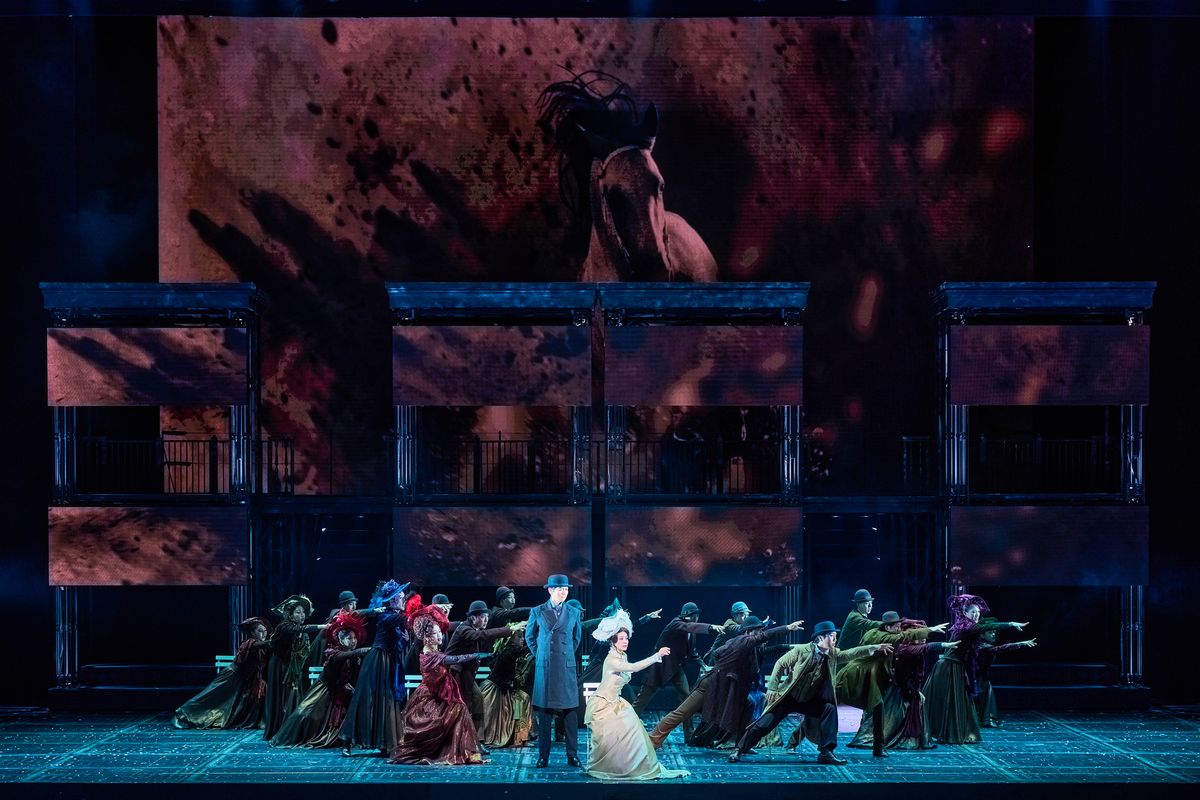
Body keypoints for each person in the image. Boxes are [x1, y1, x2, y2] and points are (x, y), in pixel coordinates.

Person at [728, 620, 891, 765]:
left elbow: (850, 654)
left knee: (829, 709)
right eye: (832, 636)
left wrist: (872, 648)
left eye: (835, 637)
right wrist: (772, 687)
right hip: (788, 697)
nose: (835, 640)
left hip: (809, 700)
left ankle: (826, 752)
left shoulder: (832, 654)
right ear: (820, 637)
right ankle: (739, 749)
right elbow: (780, 663)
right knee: (764, 724)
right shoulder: (801, 650)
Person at [583, 611, 689, 781]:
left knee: (633, 732)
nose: (625, 641)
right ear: (613, 640)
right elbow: (634, 668)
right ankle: (610, 767)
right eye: (621, 638)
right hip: (603, 704)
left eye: (626, 638)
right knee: (610, 740)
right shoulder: (612, 660)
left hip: (616, 702)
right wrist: (657, 656)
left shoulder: (622, 655)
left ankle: (634, 766)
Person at [837, 611, 949, 757]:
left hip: (873, 678)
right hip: (858, 676)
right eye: (896, 626)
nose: (899, 628)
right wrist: (931, 630)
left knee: (877, 708)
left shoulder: (881, 633)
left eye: (899, 625)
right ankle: (807, 739)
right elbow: (903, 636)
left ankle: (878, 748)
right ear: (888, 627)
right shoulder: (882, 636)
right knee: (827, 704)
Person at [923, 594, 1029, 744]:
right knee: (950, 701)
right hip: (949, 667)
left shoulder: (969, 627)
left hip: (955, 666)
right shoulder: (967, 626)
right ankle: (945, 732)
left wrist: (1018, 644)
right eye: (973, 612)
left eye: (978, 612)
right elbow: (986, 627)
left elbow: (991, 647)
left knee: (958, 701)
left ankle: (950, 732)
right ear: (965, 613)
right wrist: (1010, 624)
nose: (976, 615)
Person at [389, 613, 491, 765]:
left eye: (439, 632)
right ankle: (445, 750)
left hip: (442, 694)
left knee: (460, 709)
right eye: (436, 634)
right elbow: (455, 659)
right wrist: (476, 655)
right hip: (430, 698)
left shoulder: (434, 651)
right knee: (450, 715)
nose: (440, 636)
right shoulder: (430, 655)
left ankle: (460, 749)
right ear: (427, 637)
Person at [689, 615, 804, 749]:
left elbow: (774, 648)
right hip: (729, 685)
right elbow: (717, 653)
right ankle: (724, 741)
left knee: (749, 704)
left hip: (739, 686)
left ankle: (741, 744)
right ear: (748, 631)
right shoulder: (743, 641)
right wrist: (788, 627)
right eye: (757, 631)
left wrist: (793, 646)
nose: (760, 634)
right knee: (722, 716)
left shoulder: (752, 647)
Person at [270, 611, 371, 749]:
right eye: (349, 638)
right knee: (305, 714)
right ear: (341, 640)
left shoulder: (354, 658)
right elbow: (340, 659)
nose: (353, 641)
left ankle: (344, 739)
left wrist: (348, 686)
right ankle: (290, 737)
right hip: (325, 689)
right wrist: (363, 651)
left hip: (340, 691)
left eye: (354, 638)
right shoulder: (333, 652)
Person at [630, 602, 722, 741]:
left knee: (687, 699)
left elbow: (692, 651)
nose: (696, 618)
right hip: (660, 668)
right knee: (642, 699)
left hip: (676, 669)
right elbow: (687, 627)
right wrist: (710, 627)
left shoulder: (691, 631)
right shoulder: (676, 623)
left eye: (697, 615)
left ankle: (689, 735)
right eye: (694, 615)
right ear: (688, 615)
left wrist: (703, 665)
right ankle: (624, 728)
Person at [340, 579, 412, 755]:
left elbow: (397, 643)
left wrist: (404, 640)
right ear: (392, 600)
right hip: (378, 660)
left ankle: (384, 742)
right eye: (401, 598)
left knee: (387, 701)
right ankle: (347, 741)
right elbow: (401, 618)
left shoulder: (396, 617)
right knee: (366, 699)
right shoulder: (385, 615)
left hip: (390, 661)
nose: (403, 600)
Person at [445, 599, 526, 751]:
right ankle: (456, 741)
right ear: (473, 617)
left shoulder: (472, 629)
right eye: (483, 617)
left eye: (487, 617)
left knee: (477, 699)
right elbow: (482, 635)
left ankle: (477, 741)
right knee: (459, 707)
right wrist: (510, 629)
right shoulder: (465, 629)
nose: (486, 620)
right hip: (454, 676)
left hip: (466, 676)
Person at [525, 573, 583, 768]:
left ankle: (572, 755)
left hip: (565, 667)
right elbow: (530, 637)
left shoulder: (573, 612)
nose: (564, 592)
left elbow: (576, 638)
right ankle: (543, 756)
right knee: (545, 714)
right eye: (560, 589)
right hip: (546, 668)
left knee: (570, 713)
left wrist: (566, 655)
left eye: (566, 589)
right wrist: (542, 655)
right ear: (550, 590)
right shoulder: (537, 611)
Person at [173, 617, 273, 730]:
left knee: (229, 704)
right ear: (252, 633)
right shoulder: (250, 643)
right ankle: (182, 714)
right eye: (260, 631)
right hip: (231, 676)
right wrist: (274, 640)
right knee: (210, 696)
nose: (263, 633)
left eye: (265, 631)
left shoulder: (261, 648)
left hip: (242, 680)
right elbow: (262, 645)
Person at [263, 595, 327, 739]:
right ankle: (281, 729)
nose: (302, 615)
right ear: (290, 615)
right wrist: (322, 626)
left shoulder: (300, 632)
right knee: (284, 695)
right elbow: (300, 629)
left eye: (303, 612)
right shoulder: (284, 626)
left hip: (292, 666)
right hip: (280, 666)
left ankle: (291, 728)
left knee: (293, 694)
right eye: (298, 612)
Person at [477, 623, 536, 748]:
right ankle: (519, 738)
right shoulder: (509, 650)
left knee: (523, 699)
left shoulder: (507, 651)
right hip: (495, 690)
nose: (522, 639)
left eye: (522, 636)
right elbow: (523, 651)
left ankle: (521, 738)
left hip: (506, 689)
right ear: (510, 639)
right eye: (519, 636)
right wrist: (538, 641)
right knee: (521, 700)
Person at [975, 617, 1037, 728]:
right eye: (990, 632)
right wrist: (1019, 643)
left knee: (986, 695)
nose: (993, 634)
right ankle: (982, 719)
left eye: (994, 632)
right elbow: (1000, 649)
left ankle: (984, 719)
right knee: (981, 696)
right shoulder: (981, 646)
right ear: (982, 635)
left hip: (982, 676)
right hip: (976, 677)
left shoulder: (984, 645)